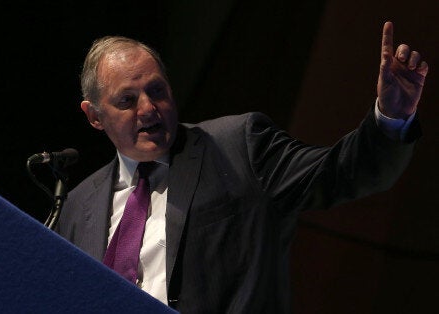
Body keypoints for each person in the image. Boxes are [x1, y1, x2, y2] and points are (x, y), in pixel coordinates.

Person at [54, 21, 428, 313]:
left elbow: (341, 172)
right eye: (127, 100)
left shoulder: (237, 145)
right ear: (95, 116)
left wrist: (391, 118)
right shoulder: (76, 206)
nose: (148, 109)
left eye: (157, 90)